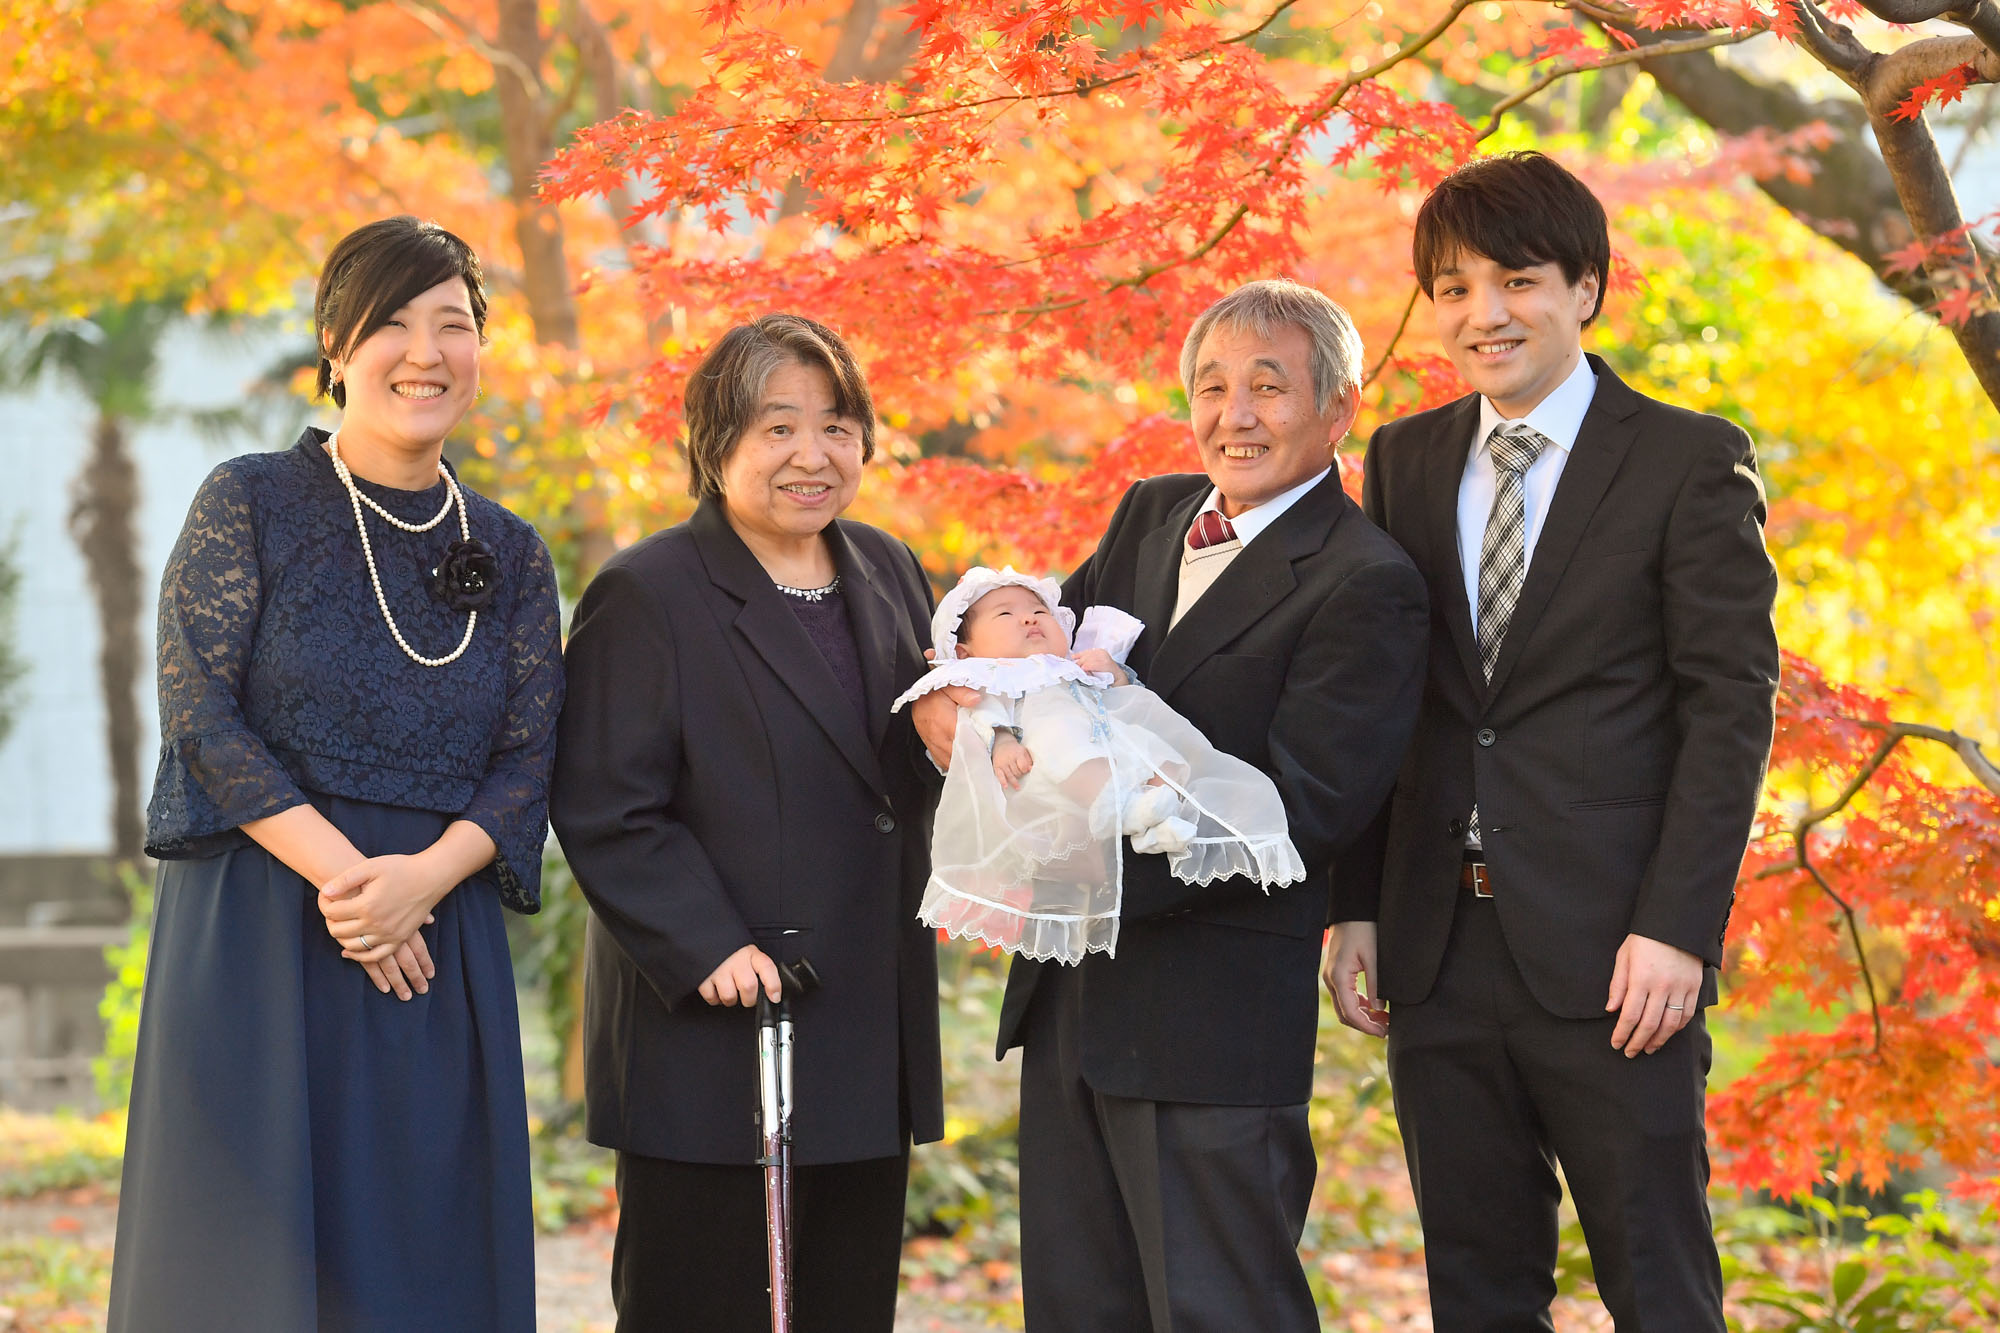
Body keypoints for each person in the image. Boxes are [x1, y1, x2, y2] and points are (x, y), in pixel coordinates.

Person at [913, 278, 1429, 1331]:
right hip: (1072, 1001)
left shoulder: (1363, 578)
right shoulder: (1150, 511)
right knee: (1076, 1307)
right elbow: (1045, 677)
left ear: (1338, 408)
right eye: (1210, 385)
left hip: (1211, 1018)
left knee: (1218, 1311)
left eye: (1267, 387)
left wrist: (1049, 871)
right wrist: (967, 716)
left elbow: (1303, 809)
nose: (1232, 414)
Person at [1326, 151, 1781, 1331]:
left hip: (1617, 957)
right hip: (1436, 945)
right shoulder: (1406, 459)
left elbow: (1727, 705)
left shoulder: (1686, 457)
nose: (1484, 315)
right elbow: (1395, 698)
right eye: (1452, 288)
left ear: (1584, 287)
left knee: (1659, 1285)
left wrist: (1677, 927)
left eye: (1516, 280)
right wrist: (1356, 902)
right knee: (1475, 1292)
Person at [108, 216, 562, 1332]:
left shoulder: (510, 552)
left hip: (433, 939)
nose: (424, 352)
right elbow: (200, 715)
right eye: (391, 323)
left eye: (451, 324)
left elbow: (527, 760)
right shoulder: (250, 499)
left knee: (423, 1253)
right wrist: (358, 887)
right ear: (335, 343)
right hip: (263, 920)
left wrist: (421, 883)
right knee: (246, 1270)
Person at [549, 314, 944, 1331]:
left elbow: (896, 769)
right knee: (700, 1303)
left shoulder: (890, 568)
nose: (813, 455)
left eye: (837, 425)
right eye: (776, 428)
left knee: (844, 1304)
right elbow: (604, 801)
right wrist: (706, 940)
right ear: (713, 441)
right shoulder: (648, 592)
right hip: (721, 1027)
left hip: (863, 1013)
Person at [894, 565, 1304, 963]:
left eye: (1039, 612)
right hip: (1051, 768)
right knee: (1061, 738)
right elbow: (979, 714)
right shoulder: (988, 675)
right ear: (965, 651)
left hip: (1111, 744)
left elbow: (1125, 701)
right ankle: (1118, 807)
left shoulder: (1073, 664)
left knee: (1159, 748)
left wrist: (1117, 676)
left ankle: (1154, 825)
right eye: (1006, 614)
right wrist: (1001, 742)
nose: (1028, 620)